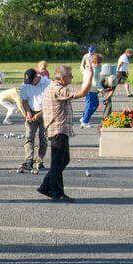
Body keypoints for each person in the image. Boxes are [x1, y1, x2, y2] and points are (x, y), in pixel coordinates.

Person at [38, 64, 94, 203]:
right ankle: (56, 192)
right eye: (70, 75)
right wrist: (90, 76)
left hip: (58, 129)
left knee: (63, 160)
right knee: (58, 162)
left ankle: (46, 186)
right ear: (62, 78)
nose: (72, 77)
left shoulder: (54, 87)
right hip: (58, 129)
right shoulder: (57, 89)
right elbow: (82, 93)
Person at [17, 69, 50, 174]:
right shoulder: (25, 85)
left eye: (32, 81)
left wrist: (39, 115)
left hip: (45, 112)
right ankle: (28, 160)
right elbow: (24, 101)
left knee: (43, 138)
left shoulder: (48, 84)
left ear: (37, 77)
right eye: (28, 81)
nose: (29, 83)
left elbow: (50, 104)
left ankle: (39, 161)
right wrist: (27, 112)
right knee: (29, 136)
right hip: (31, 111)